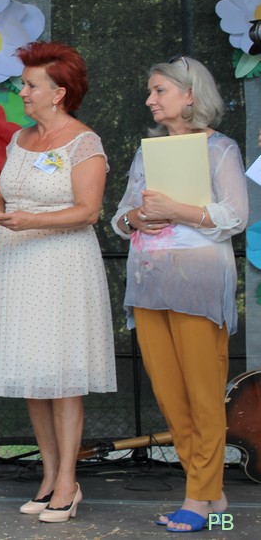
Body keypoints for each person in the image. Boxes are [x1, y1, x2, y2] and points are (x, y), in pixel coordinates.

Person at [0, 41, 116, 523]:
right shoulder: (19, 139)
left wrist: (30, 220)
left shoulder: (84, 142)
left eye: (30, 85)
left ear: (58, 93)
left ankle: (70, 482)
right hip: (17, 264)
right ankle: (50, 475)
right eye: (23, 84)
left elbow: (88, 211)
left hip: (62, 265)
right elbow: (3, 199)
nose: (22, 92)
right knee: (33, 374)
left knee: (63, 376)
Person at [111, 55, 247, 533]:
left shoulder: (220, 149)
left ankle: (197, 497)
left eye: (159, 90)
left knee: (202, 395)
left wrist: (177, 209)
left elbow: (237, 216)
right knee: (170, 397)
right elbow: (121, 216)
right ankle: (210, 494)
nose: (150, 99)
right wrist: (133, 218)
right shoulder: (147, 152)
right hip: (149, 286)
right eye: (150, 91)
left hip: (199, 287)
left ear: (190, 95)